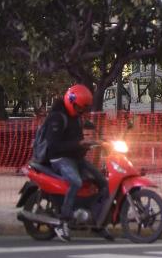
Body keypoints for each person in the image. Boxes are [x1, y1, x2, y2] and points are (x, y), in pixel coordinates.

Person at [32, 84, 107, 241]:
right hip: (59, 159)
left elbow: (78, 140)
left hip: (75, 158)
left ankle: (97, 223)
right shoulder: (57, 118)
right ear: (70, 101)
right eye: (79, 108)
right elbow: (54, 147)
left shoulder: (77, 119)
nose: (81, 111)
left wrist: (94, 142)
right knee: (75, 182)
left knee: (101, 180)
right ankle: (63, 221)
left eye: (83, 109)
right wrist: (79, 144)